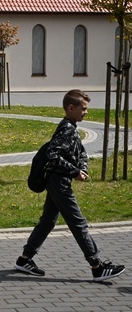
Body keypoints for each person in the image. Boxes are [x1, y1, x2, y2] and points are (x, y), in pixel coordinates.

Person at [13, 89, 125, 282]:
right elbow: (53, 155)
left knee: (48, 220)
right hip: (58, 182)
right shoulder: (66, 128)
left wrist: (82, 167)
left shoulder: (71, 127)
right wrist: (73, 171)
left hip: (59, 180)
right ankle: (97, 266)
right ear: (70, 108)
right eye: (83, 108)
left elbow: (80, 152)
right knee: (78, 222)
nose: (86, 112)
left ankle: (24, 259)